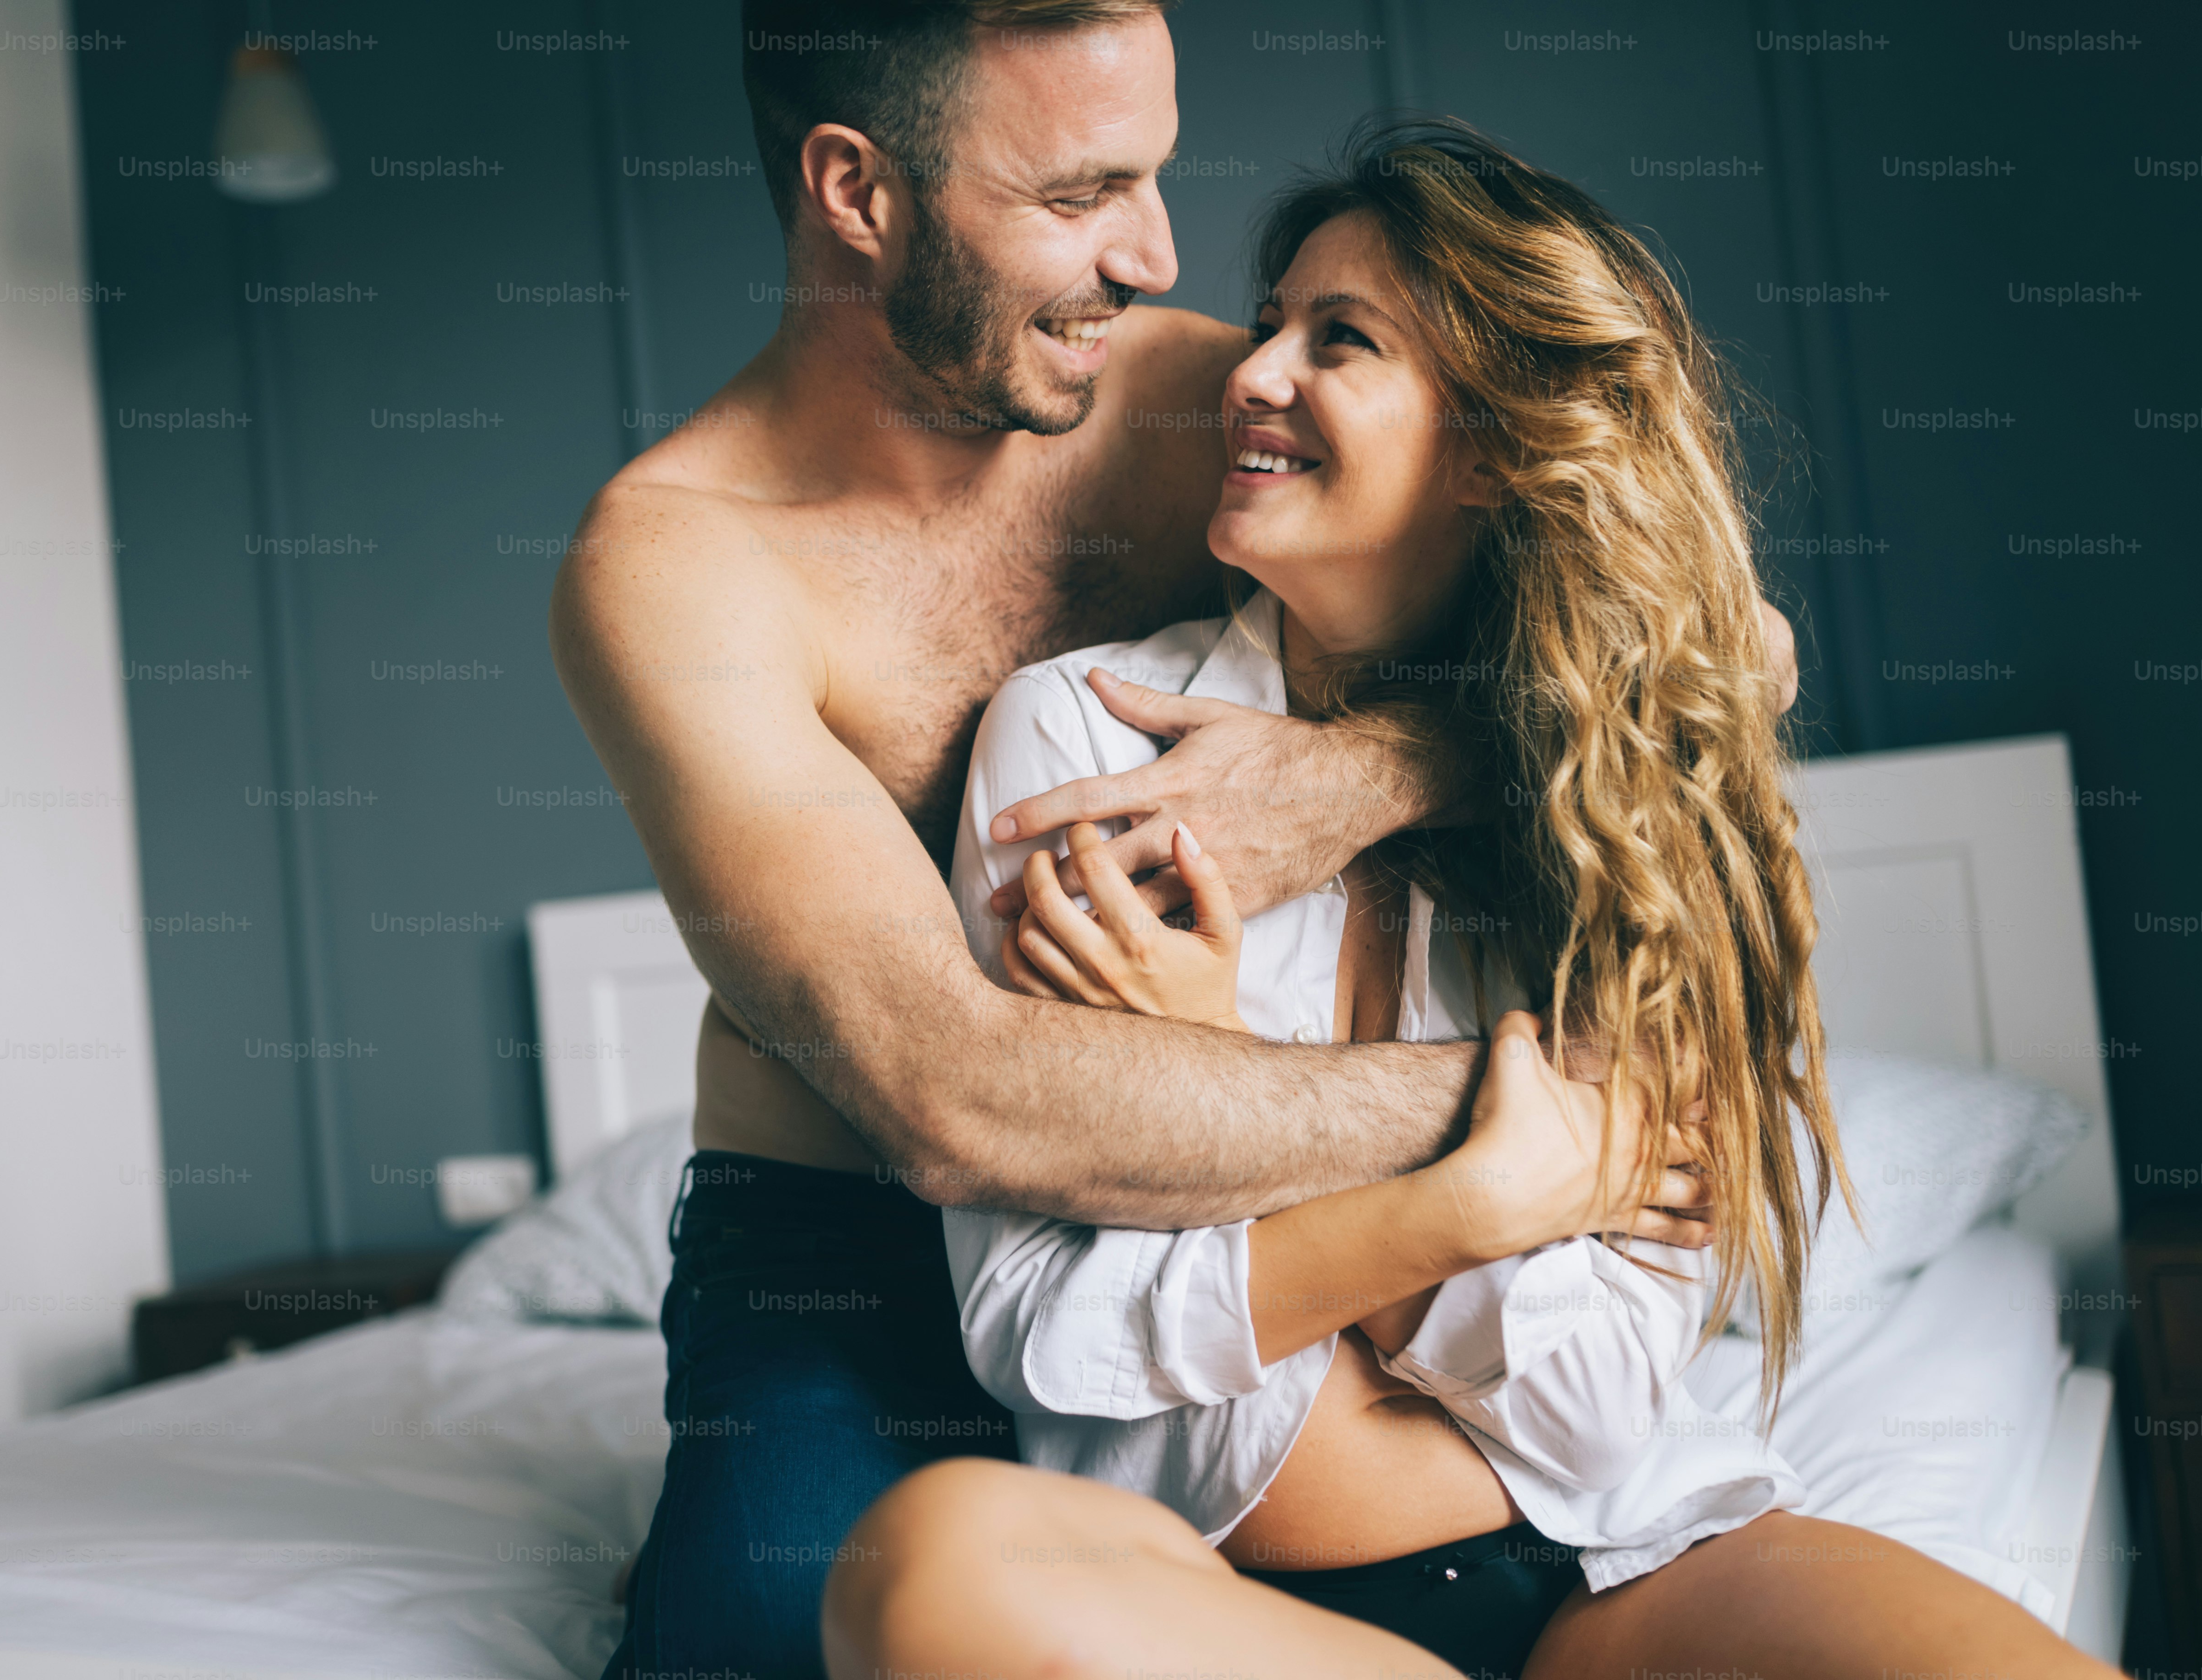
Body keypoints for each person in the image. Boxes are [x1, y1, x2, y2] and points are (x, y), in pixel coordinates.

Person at [554, 4, 1782, 1673]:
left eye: (1157, 176)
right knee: (781, 1645)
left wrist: (1371, 771)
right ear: (859, 189)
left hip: (1212, 1191)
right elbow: (954, 1102)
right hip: (857, 1255)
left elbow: (1718, 651)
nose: (1154, 252)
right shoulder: (679, 568)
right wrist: (1526, 1130)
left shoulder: (1211, 403)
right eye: (1081, 193)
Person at [821, 119, 2122, 1680]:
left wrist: (1219, 1099)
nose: (1252, 374)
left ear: (1498, 450)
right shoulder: (1092, 741)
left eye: (1341, 341)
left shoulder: (1641, 813)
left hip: (1616, 1573)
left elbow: (1589, 1411)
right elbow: (1050, 1328)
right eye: (1268, 325)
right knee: (930, 1569)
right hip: (1220, 1604)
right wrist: (1485, 1198)